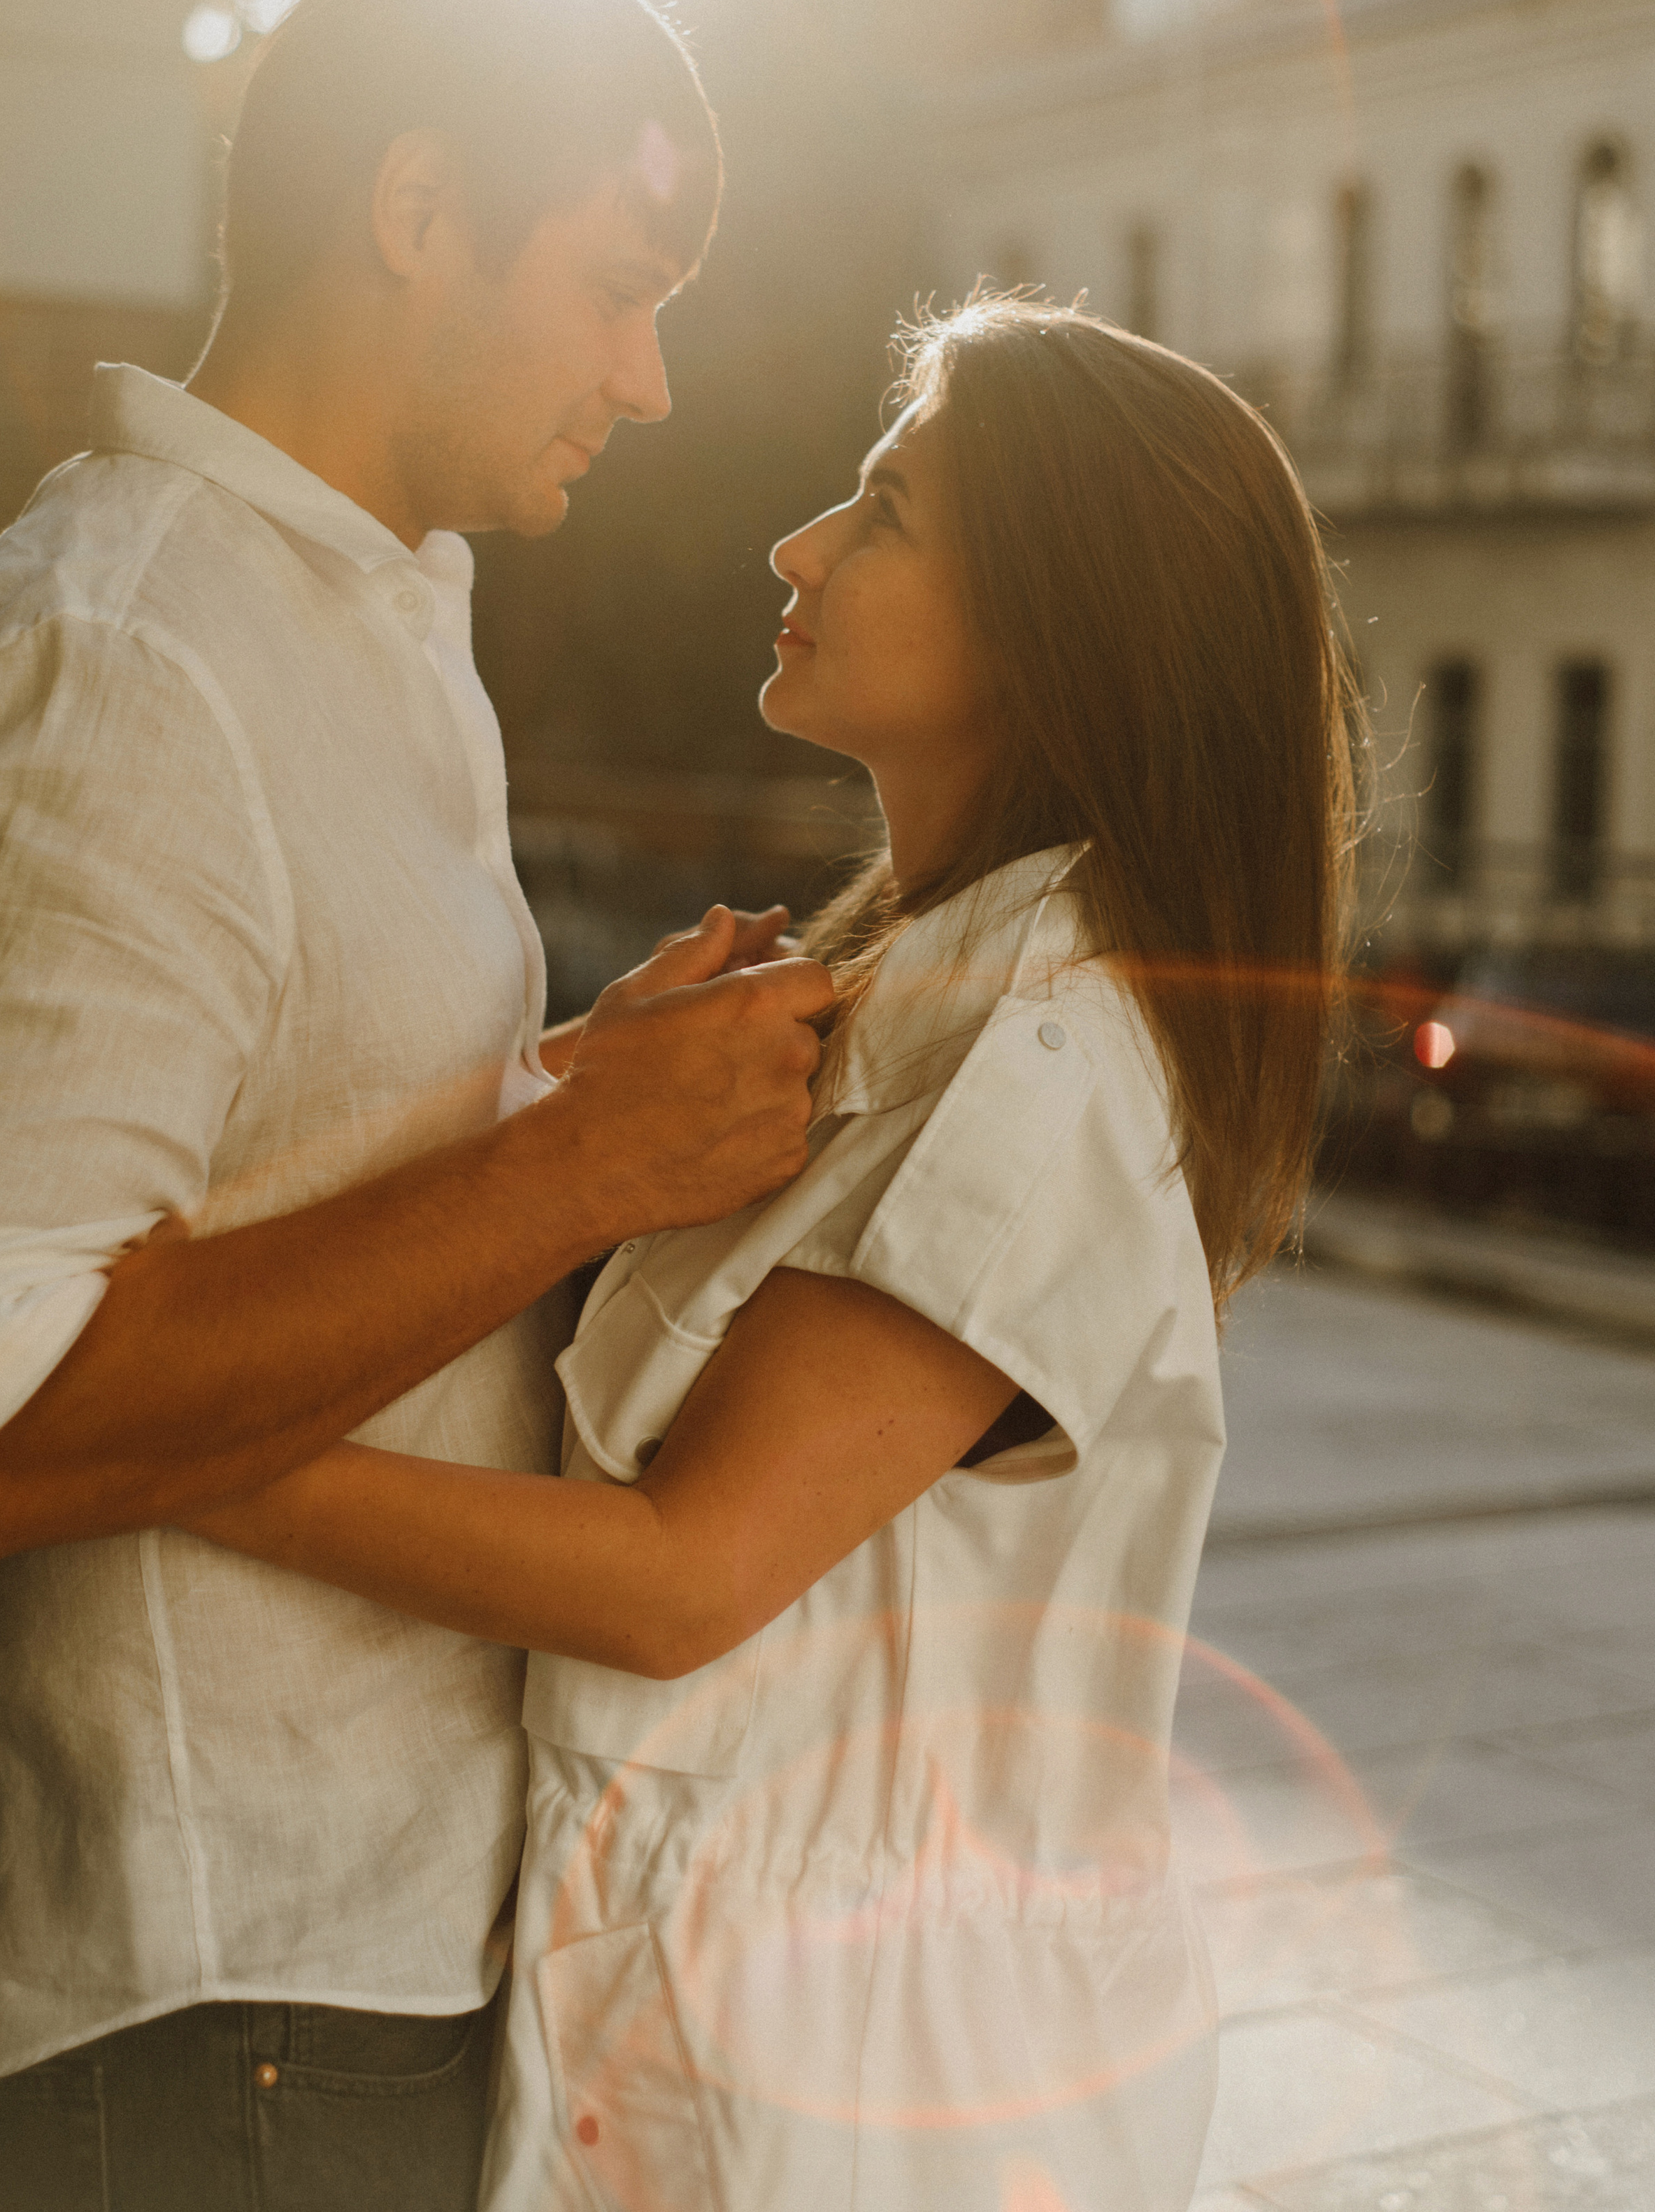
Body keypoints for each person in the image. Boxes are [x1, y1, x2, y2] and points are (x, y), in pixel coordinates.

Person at [180, 297, 1363, 2209]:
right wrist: (573, 1104)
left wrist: (178, 1440)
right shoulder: (900, 988)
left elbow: (682, 1575)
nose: (797, 545)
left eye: (886, 511)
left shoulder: (1044, 1057)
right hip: (716, 2003)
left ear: (1064, 621)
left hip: (851, 2081)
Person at [0, 0, 833, 2207]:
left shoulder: (371, 605)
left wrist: (574, 1090)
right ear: (415, 212)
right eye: (618, 280)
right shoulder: (122, 652)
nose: (654, 374)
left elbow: (284, 1148)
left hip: (350, 1942)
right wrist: (583, 1161)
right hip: (223, 1991)